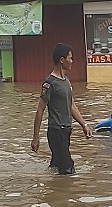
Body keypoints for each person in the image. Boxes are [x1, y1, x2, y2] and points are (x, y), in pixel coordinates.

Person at [31, 43, 93, 175]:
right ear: (61, 60)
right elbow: (40, 110)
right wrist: (36, 138)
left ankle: (54, 189)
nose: (72, 61)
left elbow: (71, 105)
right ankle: (66, 193)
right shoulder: (50, 83)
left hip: (66, 131)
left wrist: (84, 125)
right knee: (68, 169)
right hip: (56, 131)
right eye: (70, 58)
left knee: (57, 167)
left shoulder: (66, 81)